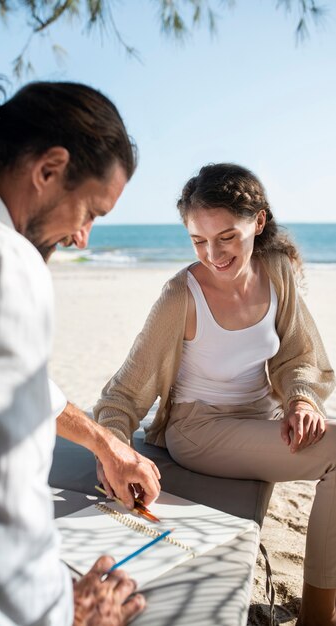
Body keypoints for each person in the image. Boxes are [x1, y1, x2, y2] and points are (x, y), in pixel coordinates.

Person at [0, 76, 161, 626]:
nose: (83, 239)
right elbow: (0, 531)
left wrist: (105, 443)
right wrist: (65, 614)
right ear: (48, 170)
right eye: (91, 212)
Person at [94, 163, 336, 626]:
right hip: (199, 430)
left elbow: (303, 355)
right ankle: (320, 617)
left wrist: (302, 400)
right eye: (198, 240)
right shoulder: (179, 296)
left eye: (227, 237)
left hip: (262, 420)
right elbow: (124, 392)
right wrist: (112, 451)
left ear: (258, 222)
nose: (213, 253)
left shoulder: (277, 271)